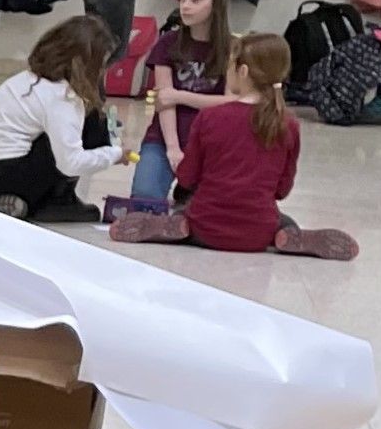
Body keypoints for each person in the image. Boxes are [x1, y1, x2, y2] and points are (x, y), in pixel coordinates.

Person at [113, 32, 359, 259]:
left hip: (206, 226)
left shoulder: (211, 117)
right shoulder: (288, 125)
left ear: (242, 71)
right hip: (258, 232)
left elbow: (187, 178)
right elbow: (282, 190)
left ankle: (179, 224)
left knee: (187, 213)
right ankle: (288, 234)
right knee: (285, 223)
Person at [0, 15, 128, 223]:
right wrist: (115, 154)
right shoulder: (63, 97)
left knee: (74, 126)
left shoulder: (26, 79)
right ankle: (57, 201)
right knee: (93, 122)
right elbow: (71, 162)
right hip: (9, 175)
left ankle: (8, 201)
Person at [126, 0, 236, 210]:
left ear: (216, 3)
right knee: (145, 201)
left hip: (211, 143)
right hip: (165, 137)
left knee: (211, 211)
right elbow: (165, 103)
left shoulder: (232, 48)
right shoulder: (168, 43)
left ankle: (188, 190)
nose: (185, 6)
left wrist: (180, 95)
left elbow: (231, 101)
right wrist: (173, 149)